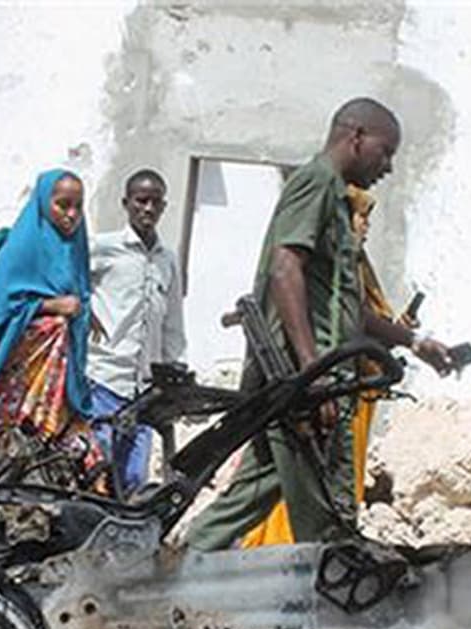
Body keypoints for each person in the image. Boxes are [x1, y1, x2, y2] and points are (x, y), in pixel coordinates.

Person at [187, 98, 453, 551]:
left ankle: (175, 565)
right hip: (308, 384)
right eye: (385, 152)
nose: (388, 167)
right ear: (356, 137)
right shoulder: (316, 183)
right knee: (329, 513)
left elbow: (347, 307)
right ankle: (337, 586)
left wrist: (413, 340)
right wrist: (314, 370)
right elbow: (284, 267)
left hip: (307, 381)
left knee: (256, 489)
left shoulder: (335, 195)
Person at [240, 184, 418, 547]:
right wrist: (403, 337)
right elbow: (345, 319)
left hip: (357, 385)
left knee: (339, 482)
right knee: (303, 479)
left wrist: (395, 330)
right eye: (361, 216)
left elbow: (360, 322)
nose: (366, 225)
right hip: (328, 385)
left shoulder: (358, 265)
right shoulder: (328, 265)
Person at [0, 169, 105, 490]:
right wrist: (48, 307)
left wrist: (83, 313)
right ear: (43, 203)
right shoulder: (22, 248)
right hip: (16, 394)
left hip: (61, 395)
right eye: (63, 205)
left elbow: (77, 297)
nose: (72, 215)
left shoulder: (74, 248)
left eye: (78, 206)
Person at [87, 169, 185, 495]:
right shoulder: (102, 249)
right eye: (141, 201)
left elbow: (172, 322)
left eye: (155, 202)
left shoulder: (167, 260)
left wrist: (174, 373)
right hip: (104, 379)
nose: (148, 209)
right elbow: (68, 282)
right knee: (97, 474)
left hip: (144, 389)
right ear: (126, 203)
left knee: (132, 480)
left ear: (164, 206)